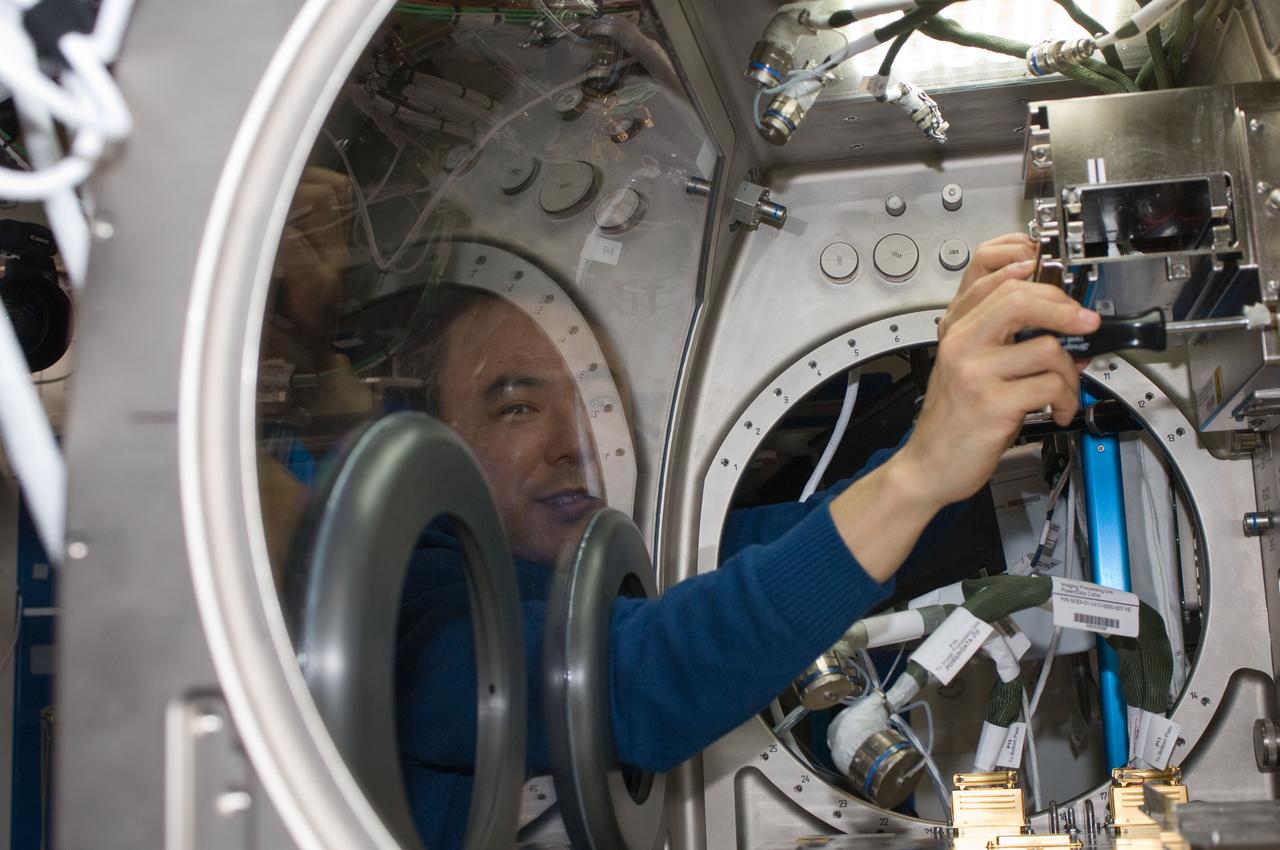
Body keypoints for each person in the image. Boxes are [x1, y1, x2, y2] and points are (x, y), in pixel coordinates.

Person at [390, 231, 1100, 848]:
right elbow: (628, 680)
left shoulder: (616, 559)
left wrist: (959, 414)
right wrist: (919, 472)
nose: (574, 442)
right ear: (437, 446)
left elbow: (820, 541)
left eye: (595, 403)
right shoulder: (412, 620)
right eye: (518, 408)